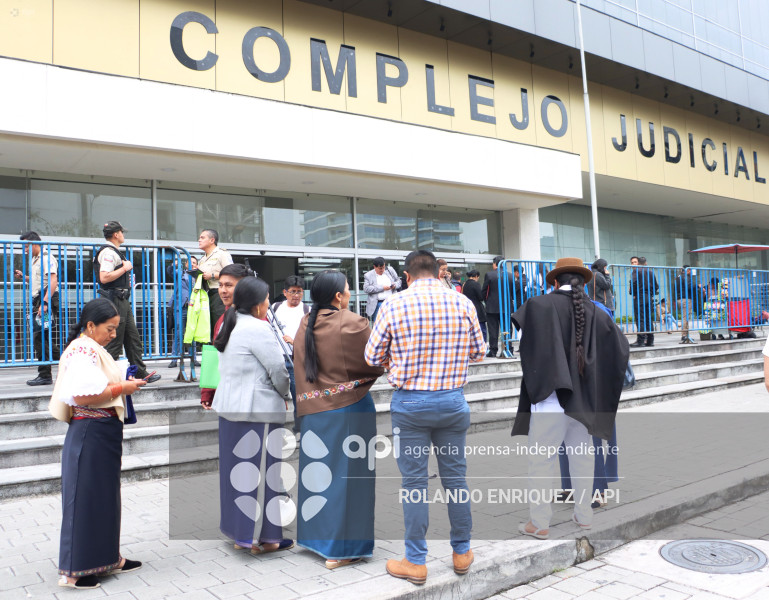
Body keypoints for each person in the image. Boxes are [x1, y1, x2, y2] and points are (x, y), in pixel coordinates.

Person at [365, 250, 485, 585]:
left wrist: (397, 360)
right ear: (437, 272)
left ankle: (416, 561)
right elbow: (479, 351)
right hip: (452, 403)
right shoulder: (462, 303)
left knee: (414, 484)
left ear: (406, 275)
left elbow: (372, 355)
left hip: (411, 407)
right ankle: (461, 552)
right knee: (456, 479)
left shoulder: (392, 305)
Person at [512, 257, 629, 540]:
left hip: (549, 398)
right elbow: (621, 349)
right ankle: (584, 516)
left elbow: (526, 346)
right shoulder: (597, 312)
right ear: (583, 282)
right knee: (582, 457)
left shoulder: (538, 306)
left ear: (555, 281)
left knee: (541, 461)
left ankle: (539, 523)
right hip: (584, 402)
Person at [49, 298, 146, 589]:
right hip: (90, 430)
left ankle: (108, 558)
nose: (114, 335)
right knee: (84, 499)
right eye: (110, 328)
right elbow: (82, 396)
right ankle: (74, 570)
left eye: (116, 328)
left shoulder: (92, 347)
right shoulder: (81, 349)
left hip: (102, 431)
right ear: (91, 326)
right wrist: (123, 388)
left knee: (105, 497)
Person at [293, 271, 385, 569]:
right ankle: (341, 549)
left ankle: (315, 540)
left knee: (318, 476)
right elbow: (375, 361)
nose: (348, 295)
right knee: (349, 480)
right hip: (349, 407)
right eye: (347, 290)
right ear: (338, 296)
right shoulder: (352, 323)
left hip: (314, 409)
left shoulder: (307, 321)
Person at [211, 276, 293, 554]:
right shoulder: (259, 329)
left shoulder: (229, 324)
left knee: (236, 473)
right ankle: (264, 538)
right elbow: (279, 371)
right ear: (258, 305)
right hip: (257, 410)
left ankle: (239, 533)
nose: (269, 303)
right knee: (261, 473)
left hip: (230, 407)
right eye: (268, 298)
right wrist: (285, 395)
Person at [95, 221, 160, 383]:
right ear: (116, 234)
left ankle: (139, 372)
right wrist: (125, 268)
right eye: (122, 232)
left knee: (132, 338)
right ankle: (106, 378)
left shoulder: (115, 251)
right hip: (114, 300)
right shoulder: (109, 253)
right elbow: (104, 277)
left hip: (121, 300)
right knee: (114, 340)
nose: (123, 235)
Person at [201, 263, 253, 410]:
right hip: (227, 396)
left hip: (250, 398)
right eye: (220, 285)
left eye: (229, 285)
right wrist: (208, 391)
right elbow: (214, 355)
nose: (223, 291)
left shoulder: (257, 319)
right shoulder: (221, 319)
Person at [14, 231, 60, 386]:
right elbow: (39, 279)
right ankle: (69, 358)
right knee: (43, 336)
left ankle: (45, 375)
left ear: (35, 243)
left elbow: (53, 281)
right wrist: (24, 277)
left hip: (45, 300)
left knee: (39, 336)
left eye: (26, 246)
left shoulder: (47, 258)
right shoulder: (36, 259)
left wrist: (45, 303)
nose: (25, 250)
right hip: (39, 300)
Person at [271, 275, 309, 429]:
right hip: (276, 358)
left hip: (296, 359)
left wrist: (295, 342)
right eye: (293, 292)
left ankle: (299, 429)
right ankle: (273, 429)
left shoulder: (307, 310)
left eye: (299, 292)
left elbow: (312, 338)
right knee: (273, 397)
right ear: (285, 292)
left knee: (299, 396)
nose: (296, 296)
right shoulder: (275, 308)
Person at [197, 229, 233, 338]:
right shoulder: (202, 259)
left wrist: (212, 275)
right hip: (207, 295)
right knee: (210, 325)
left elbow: (232, 272)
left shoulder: (222, 254)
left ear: (212, 240)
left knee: (220, 323)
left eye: (202, 237)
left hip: (220, 294)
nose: (199, 240)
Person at [168, 256, 198, 368]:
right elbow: (170, 271)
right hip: (181, 307)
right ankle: (174, 359)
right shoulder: (180, 273)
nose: (192, 264)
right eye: (190, 262)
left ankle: (193, 358)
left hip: (194, 307)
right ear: (186, 264)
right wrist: (174, 264)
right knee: (178, 332)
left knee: (192, 333)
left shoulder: (199, 276)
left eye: (194, 263)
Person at [482, 255, 514, 358]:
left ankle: (493, 350)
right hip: (506, 306)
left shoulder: (489, 275)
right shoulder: (510, 275)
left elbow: (484, 291)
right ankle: (508, 348)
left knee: (493, 329)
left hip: (492, 307)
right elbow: (513, 292)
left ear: (495, 264)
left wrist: (487, 302)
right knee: (507, 329)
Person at [630, 257, 658, 347]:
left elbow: (634, 283)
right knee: (648, 318)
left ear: (638, 263)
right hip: (649, 296)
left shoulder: (636, 271)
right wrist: (651, 294)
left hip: (640, 296)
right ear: (646, 263)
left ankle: (641, 341)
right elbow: (656, 286)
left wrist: (633, 293)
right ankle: (650, 340)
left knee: (640, 318)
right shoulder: (650, 272)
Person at [363, 257, 401, 322]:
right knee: (378, 323)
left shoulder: (390, 270)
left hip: (391, 302)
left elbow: (399, 281)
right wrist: (382, 288)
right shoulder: (368, 275)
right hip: (378, 303)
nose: (382, 270)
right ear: (374, 267)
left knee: (393, 322)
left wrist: (394, 285)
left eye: (383, 267)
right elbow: (366, 289)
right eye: (380, 268)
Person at [462, 270, 488, 342]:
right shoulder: (476, 284)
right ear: (476, 276)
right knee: (482, 329)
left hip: (467, 308)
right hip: (477, 308)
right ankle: (483, 345)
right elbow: (480, 297)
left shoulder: (465, 284)